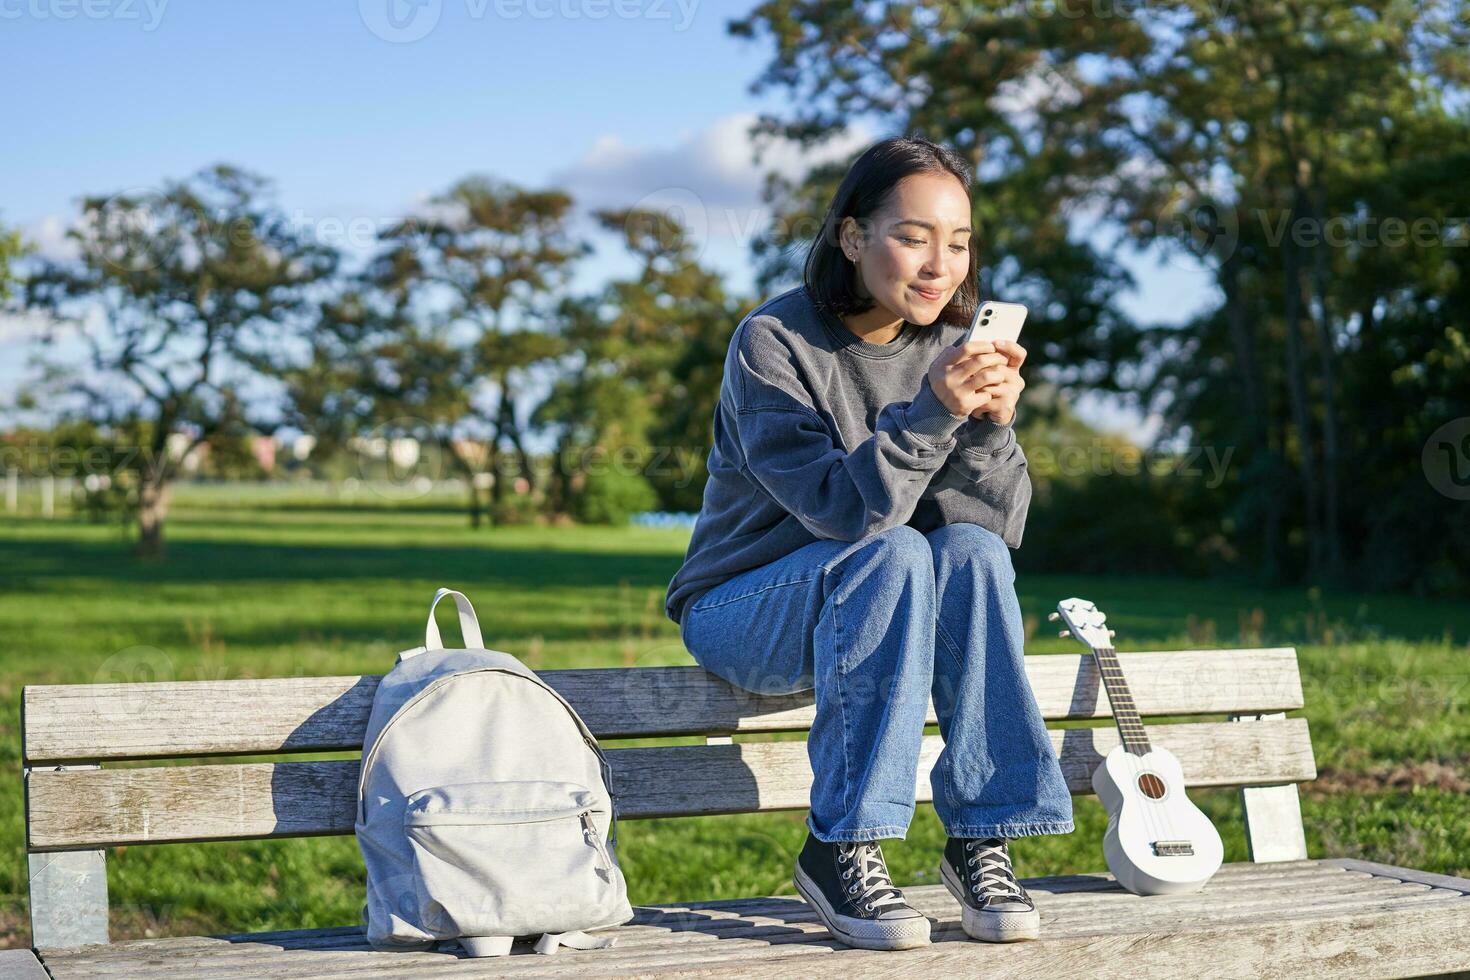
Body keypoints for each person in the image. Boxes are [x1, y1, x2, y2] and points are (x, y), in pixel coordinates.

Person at [663, 135, 1074, 951]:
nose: (939, 265)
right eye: (912, 236)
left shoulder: (946, 349)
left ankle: (980, 835)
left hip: (885, 596)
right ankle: (842, 846)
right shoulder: (773, 344)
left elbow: (997, 530)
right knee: (892, 552)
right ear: (852, 238)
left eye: (957, 243)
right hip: (745, 607)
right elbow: (841, 513)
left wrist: (989, 427)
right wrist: (929, 414)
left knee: (972, 554)